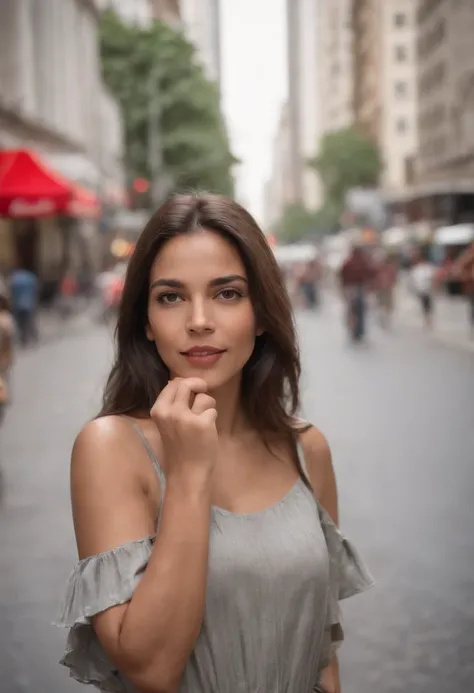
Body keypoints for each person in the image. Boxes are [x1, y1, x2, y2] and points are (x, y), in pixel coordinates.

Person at [56, 194, 373, 693]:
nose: (199, 319)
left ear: (262, 312)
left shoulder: (306, 450)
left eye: (227, 294)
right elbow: (151, 668)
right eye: (171, 297)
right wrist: (188, 472)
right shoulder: (110, 447)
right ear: (145, 319)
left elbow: (322, 652)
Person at [339, 245, 375, 342]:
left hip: (356, 288)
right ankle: (355, 330)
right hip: (353, 288)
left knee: (357, 311)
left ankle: (357, 330)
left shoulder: (358, 262)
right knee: (354, 311)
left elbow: (370, 273)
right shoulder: (352, 262)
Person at [10, 266, 39, 346]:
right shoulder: (30, 279)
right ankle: (33, 337)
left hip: (18, 306)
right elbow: (35, 292)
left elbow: (12, 294)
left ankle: (24, 339)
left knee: (21, 324)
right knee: (30, 322)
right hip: (29, 305)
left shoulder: (15, 280)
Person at [409, 248, 437, 331]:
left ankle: (429, 320)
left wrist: (433, 287)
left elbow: (432, 278)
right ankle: (427, 320)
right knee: (424, 305)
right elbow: (413, 280)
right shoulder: (415, 269)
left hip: (427, 289)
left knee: (428, 305)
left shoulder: (427, 268)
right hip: (421, 290)